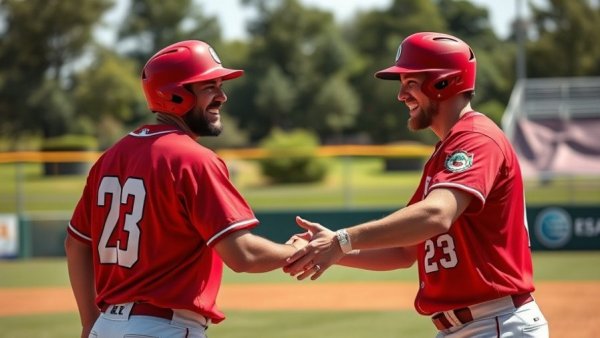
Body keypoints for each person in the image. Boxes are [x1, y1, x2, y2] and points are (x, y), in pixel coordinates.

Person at [284, 32, 549, 337]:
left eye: (411, 83)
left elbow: (437, 215)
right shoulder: (447, 150)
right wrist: (332, 249)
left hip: (496, 323)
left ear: (443, 82)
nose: (401, 95)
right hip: (472, 325)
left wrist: (342, 239)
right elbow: (403, 252)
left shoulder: (476, 138)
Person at [65, 40, 307, 338]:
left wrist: (90, 323)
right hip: (161, 328)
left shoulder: (109, 158)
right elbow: (243, 255)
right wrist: (297, 249)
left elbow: (76, 244)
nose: (222, 97)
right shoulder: (193, 159)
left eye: (220, 85)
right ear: (176, 96)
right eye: (209, 87)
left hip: (106, 327)